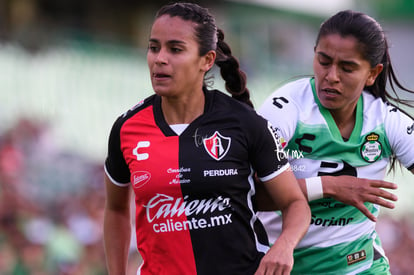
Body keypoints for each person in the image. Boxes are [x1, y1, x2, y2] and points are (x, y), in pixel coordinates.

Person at [103, 2, 310, 275]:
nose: (159, 59)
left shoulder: (246, 124)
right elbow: (116, 209)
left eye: (175, 49)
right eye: (154, 48)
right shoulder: (126, 128)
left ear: (207, 60)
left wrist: (283, 246)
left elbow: (295, 204)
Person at [257, 10, 414, 275]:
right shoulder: (285, 109)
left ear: (372, 73)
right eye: (324, 61)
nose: (331, 76)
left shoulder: (387, 121)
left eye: (347, 67)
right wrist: (329, 186)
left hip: (360, 265)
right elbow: (251, 193)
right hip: (281, 263)